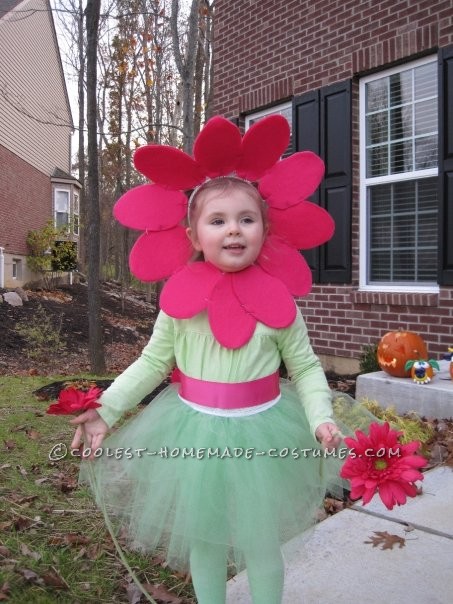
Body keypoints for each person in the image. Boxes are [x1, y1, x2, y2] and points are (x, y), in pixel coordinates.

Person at [70, 116, 366, 604]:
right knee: (204, 539)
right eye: (218, 220)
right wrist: (107, 408)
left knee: (261, 540)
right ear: (193, 235)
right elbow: (151, 363)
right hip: (193, 433)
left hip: (264, 433)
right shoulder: (180, 302)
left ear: (265, 230)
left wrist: (321, 418)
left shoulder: (280, 303)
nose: (234, 230)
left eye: (246, 219)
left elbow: (308, 367)